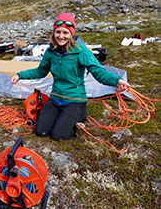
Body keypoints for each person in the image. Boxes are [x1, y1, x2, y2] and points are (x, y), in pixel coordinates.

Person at [11, 12, 130, 141]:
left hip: (74, 100)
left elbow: (98, 72)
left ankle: (78, 119)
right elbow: (40, 71)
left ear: (71, 34)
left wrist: (117, 80)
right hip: (56, 98)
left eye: (65, 33)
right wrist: (20, 75)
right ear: (53, 33)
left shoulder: (81, 51)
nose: (61, 36)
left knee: (58, 135)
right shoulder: (50, 52)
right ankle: (62, 118)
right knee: (41, 131)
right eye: (58, 32)